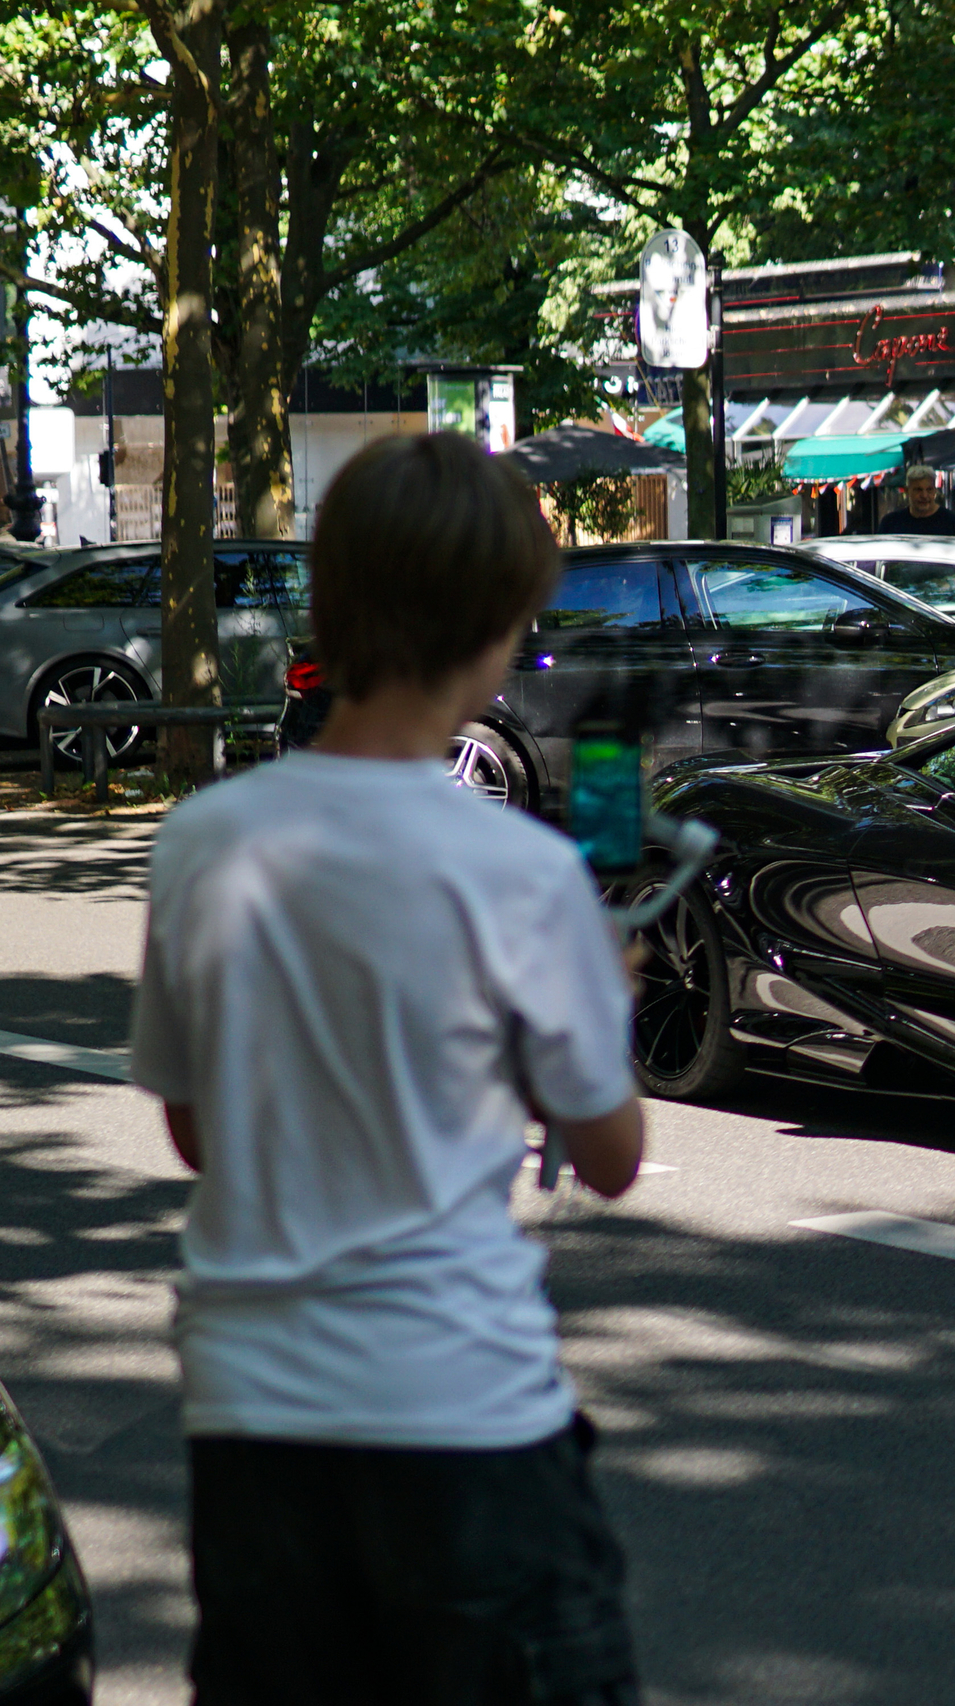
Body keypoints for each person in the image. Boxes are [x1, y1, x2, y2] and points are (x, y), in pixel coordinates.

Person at [130, 433, 648, 1705]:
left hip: (254, 1427)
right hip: (461, 1416)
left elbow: (196, 1131)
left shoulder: (203, 838)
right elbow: (611, 1155)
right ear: (493, 626)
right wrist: (599, 1001)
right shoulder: (523, 874)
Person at [881, 463, 955, 536]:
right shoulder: (891, 523)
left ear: (935, 490)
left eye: (929, 489)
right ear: (907, 491)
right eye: (918, 490)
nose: (924, 495)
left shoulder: (954, 523)